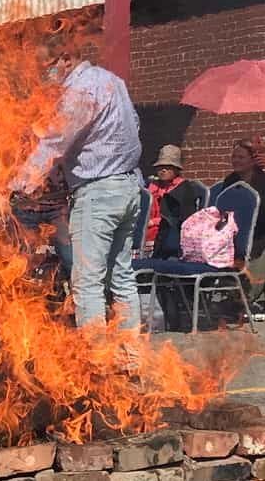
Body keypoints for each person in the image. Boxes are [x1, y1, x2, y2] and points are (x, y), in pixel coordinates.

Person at [14, 31, 143, 332]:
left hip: (97, 193)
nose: (42, 75)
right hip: (127, 187)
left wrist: (15, 189)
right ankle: (131, 360)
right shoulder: (111, 81)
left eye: (45, 67)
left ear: (67, 58)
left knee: (87, 283)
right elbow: (134, 125)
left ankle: (95, 365)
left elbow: (54, 144)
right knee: (121, 278)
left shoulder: (80, 91)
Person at [222, 140, 265, 249]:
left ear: (253, 160)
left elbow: (263, 216)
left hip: (256, 236)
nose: (236, 160)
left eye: (241, 157)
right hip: (230, 233)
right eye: (234, 157)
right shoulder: (230, 180)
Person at [145, 146, 194, 256]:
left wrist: (154, 222)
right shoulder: (151, 186)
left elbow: (182, 218)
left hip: (168, 234)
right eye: (161, 166)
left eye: (168, 167)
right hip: (146, 228)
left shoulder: (184, 189)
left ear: (176, 169)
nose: (163, 170)